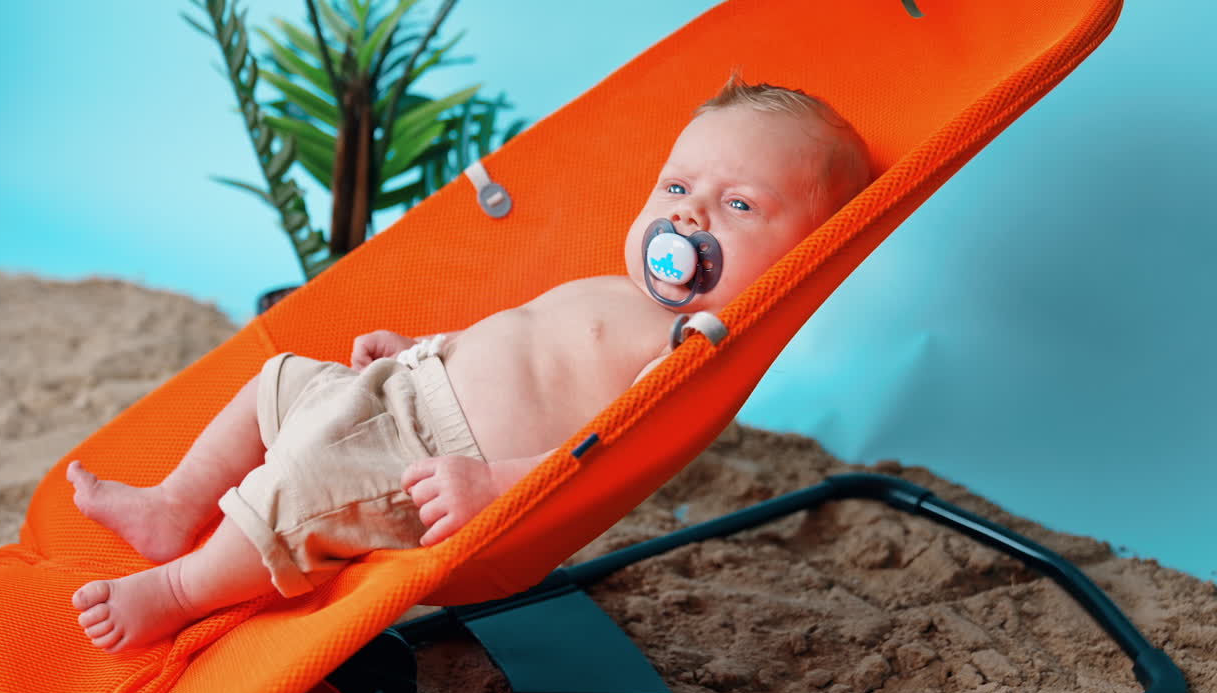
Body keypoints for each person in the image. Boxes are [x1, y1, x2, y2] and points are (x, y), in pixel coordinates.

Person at [60, 75, 872, 654]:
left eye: (738, 206)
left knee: (301, 484)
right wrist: (416, 353)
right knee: (277, 382)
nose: (687, 213)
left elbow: (612, 453)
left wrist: (497, 486)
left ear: (802, 259)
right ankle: (174, 504)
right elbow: (514, 339)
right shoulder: (618, 288)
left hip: (434, 460)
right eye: (676, 186)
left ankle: (175, 593)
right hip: (409, 387)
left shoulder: (681, 349)